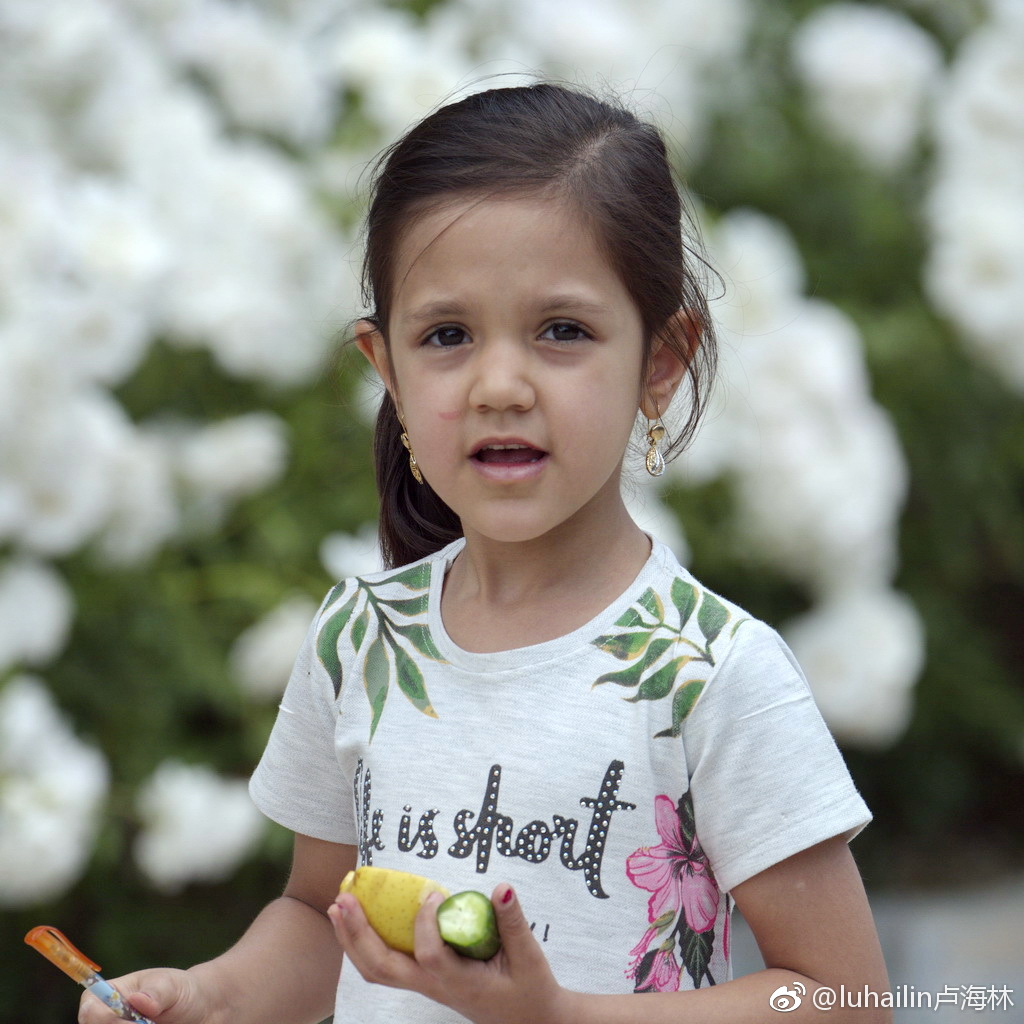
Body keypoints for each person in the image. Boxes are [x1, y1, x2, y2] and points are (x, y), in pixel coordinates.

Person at [80, 82, 891, 1024]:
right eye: (448, 335)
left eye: (562, 331)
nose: (499, 384)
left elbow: (846, 999)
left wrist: (560, 1016)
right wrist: (211, 995)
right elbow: (318, 918)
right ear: (385, 367)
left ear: (661, 361)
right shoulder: (362, 641)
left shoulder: (709, 672)